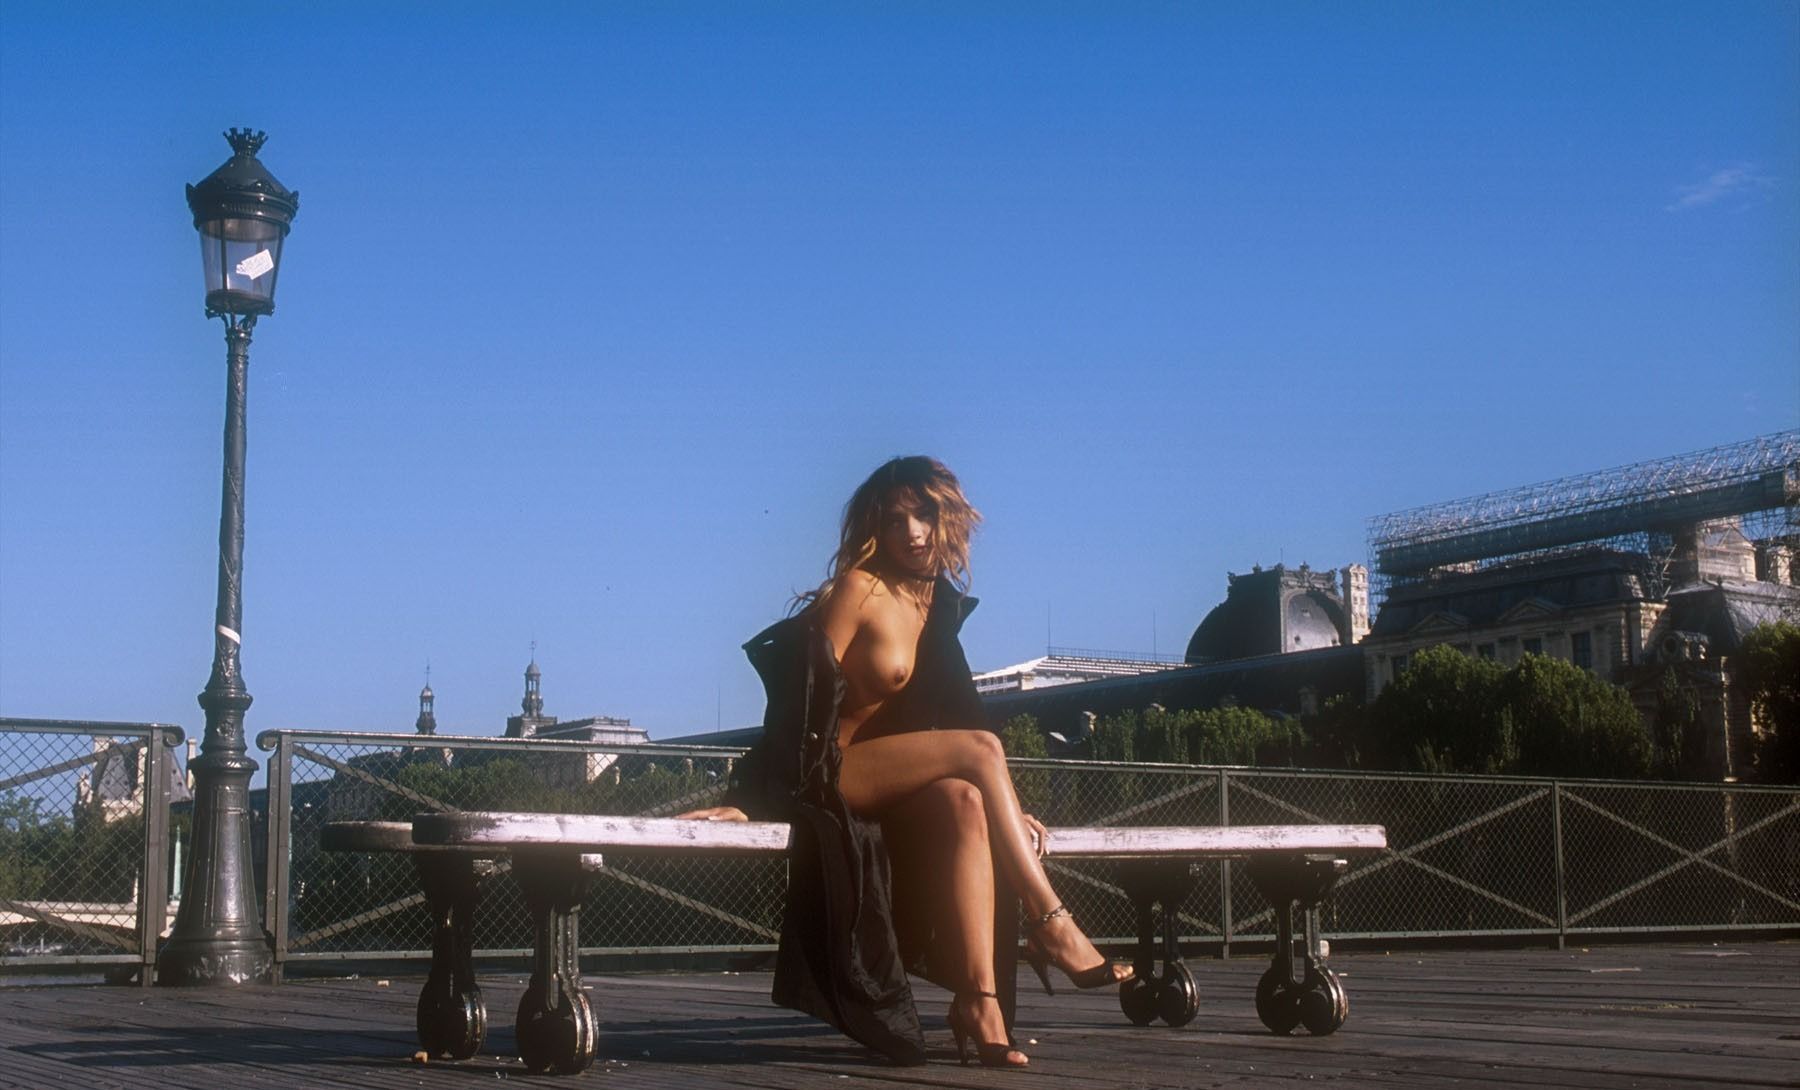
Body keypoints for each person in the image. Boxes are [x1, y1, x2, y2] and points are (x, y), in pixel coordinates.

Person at [680, 456, 1129, 1068]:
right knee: (982, 751)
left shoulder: (934, 604)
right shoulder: (858, 589)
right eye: (895, 520)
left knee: (966, 798)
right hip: (825, 771)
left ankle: (980, 1003)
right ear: (875, 528)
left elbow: (963, 710)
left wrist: (1011, 810)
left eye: (924, 515)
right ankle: (1050, 921)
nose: (912, 532)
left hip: (883, 777)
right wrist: (750, 798)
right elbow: (798, 701)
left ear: (947, 519)